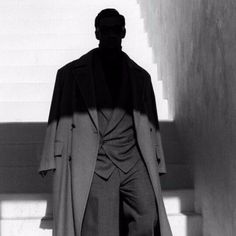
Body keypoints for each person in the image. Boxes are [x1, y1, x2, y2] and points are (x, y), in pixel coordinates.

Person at [38, 8, 172, 236]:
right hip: (97, 161)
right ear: (97, 33)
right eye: (106, 30)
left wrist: (159, 160)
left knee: (148, 214)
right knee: (101, 226)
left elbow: (150, 121)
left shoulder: (140, 76)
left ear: (124, 32)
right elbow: (57, 115)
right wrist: (49, 158)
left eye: (116, 29)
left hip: (133, 159)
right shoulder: (71, 74)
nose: (111, 34)